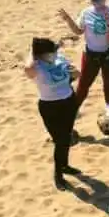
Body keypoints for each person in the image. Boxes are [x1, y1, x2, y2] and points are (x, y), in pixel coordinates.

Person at [24, 37, 82, 190]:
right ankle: (58, 175)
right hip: (50, 106)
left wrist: (75, 73)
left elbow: (76, 75)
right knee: (60, 140)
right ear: (41, 55)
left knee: (67, 136)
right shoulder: (37, 67)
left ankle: (65, 165)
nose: (55, 53)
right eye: (51, 51)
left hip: (68, 101)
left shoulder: (60, 59)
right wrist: (32, 51)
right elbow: (27, 69)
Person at [58, 0, 109, 117]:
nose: (97, 1)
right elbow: (79, 31)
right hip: (91, 54)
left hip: (107, 52)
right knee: (84, 82)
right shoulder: (86, 12)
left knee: (108, 80)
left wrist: (108, 24)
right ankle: (75, 107)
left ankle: (108, 104)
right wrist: (68, 19)